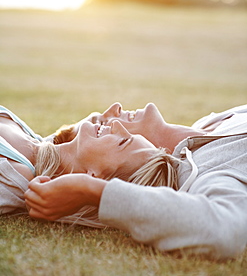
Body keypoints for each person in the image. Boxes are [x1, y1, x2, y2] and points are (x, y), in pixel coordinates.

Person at [25, 104, 247, 260]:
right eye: (102, 125)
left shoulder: (212, 122)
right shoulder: (211, 171)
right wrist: (93, 191)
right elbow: (223, 231)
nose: (113, 120)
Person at [0, 104, 178, 227]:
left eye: (122, 142)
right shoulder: (34, 141)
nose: (117, 125)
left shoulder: (11, 176)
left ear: (94, 177)